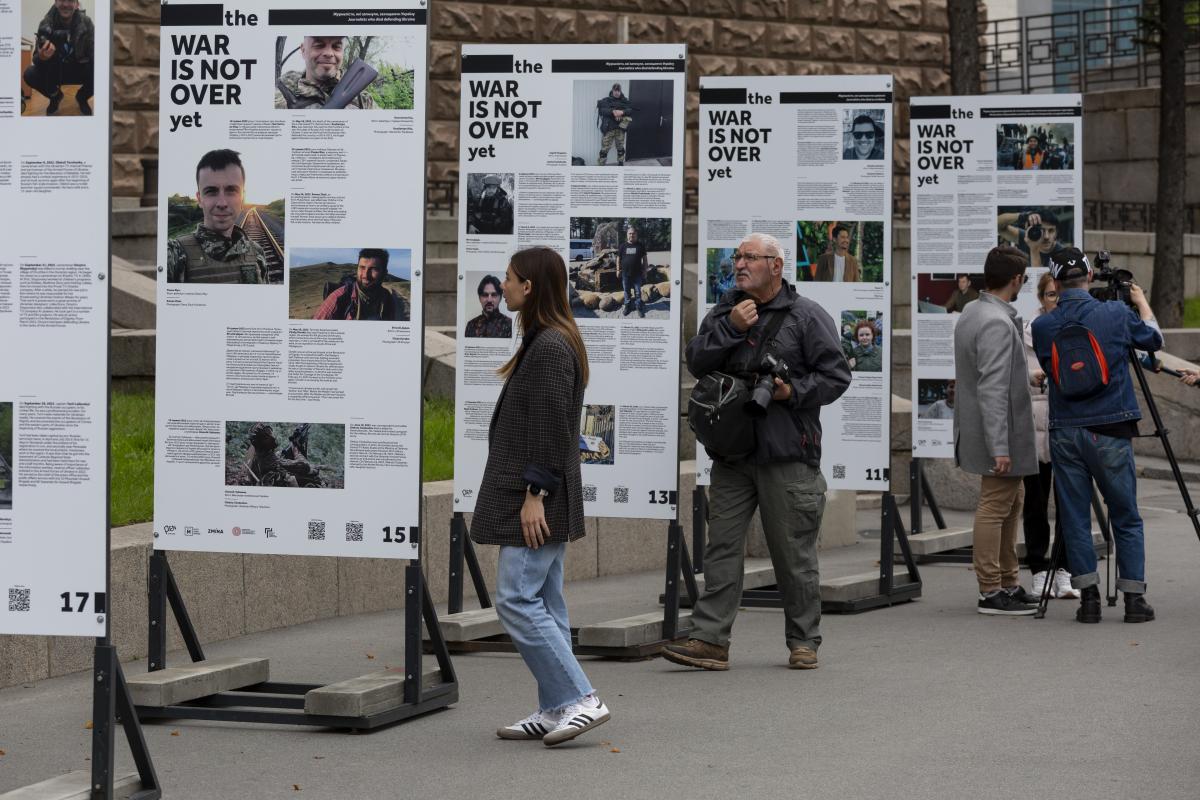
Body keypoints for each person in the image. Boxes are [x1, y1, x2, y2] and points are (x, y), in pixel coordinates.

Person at [663, 232, 850, 671]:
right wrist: (732, 328)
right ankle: (710, 640)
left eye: (751, 257)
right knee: (722, 548)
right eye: (738, 257)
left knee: (793, 553)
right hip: (732, 454)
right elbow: (696, 360)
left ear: (776, 266)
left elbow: (836, 376)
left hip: (787, 454)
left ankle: (804, 640)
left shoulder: (806, 317)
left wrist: (792, 392)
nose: (740, 264)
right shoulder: (726, 311)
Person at [471, 247, 610, 747]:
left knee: (515, 598)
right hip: (539, 490)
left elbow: (553, 430)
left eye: (508, 280)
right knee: (546, 602)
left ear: (528, 287)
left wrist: (534, 495)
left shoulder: (550, 345)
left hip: (536, 495)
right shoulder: (545, 339)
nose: (501, 286)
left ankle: (580, 698)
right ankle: (556, 707)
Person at [1032, 248, 1163, 624]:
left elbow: (1052, 370)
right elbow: (1153, 342)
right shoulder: (1117, 313)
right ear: (1089, 277)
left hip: (1066, 431)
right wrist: (1139, 302)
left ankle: (1088, 600)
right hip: (1111, 427)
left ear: (1055, 283)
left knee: (1073, 517)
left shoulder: (1043, 327)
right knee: (1125, 515)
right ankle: (1134, 601)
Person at [954, 245, 1040, 615]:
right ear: (1017, 279)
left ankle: (1008, 580)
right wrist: (1000, 446)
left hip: (991, 430)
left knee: (1011, 501)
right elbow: (990, 387)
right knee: (995, 506)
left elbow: (989, 376)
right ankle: (991, 589)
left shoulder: (976, 310)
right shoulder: (995, 321)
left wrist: (1027, 375)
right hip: (999, 435)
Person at [1021, 273, 1077, 599]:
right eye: (1049, 295)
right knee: (1036, 503)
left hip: (1067, 424)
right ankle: (1039, 569)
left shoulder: (1073, 331)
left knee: (1069, 502)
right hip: (1035, 425)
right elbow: (1015, 376)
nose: (1054, 300)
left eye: (1059, 294)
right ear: (1041, 297)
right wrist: (1033, 376)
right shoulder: (1028, 333)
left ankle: (1064, 569)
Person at [167, 149, 269, 284]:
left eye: (231, 190)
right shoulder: (173, 254)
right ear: (199, 199)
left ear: (242, 197)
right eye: (211, 191)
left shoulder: (257, 253)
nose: (222, 203)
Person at [23, 0, 94, 116]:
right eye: (61, 0)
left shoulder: (86, 23)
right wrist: (42, 57)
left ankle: (82, 97)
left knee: (103, 71)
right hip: (55, 72)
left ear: (76, 4)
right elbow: (35, 59)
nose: (65, 4)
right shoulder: (45, 23)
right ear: (55, 2)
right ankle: (55, 96)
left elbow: (95, 52)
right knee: (29, 74)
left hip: (79, 68)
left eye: (70, 0)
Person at [274, 36, 376, 109]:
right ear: (303, 50)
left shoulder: (362, 100)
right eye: (319, 45)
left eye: (336, 46)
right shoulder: (280, 95)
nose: (329, 53)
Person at [313, 249, 408, 321]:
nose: (365, 275)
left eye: (373, 269)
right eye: (362, 268)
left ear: (384, 273)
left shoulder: (387, 298)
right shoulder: (338, 298)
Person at [998, 208, 1066, 267]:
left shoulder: (1062, 255)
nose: (1046, 237)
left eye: (1051, 231)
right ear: (1033, 230)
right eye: (1042, 230)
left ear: (1056, 233)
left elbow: (1038, 278)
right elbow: (997, 226)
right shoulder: (1027, 237)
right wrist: (1024, 216)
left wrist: (1034, 249)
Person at [596, 83, 633, 166]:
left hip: (620, 129)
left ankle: (620, 164)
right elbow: (602, 111)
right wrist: (613, 112)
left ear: (620, 91)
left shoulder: (625, 101)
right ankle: (601, 165)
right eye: (615, 90)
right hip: (609, 129)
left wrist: (622, 112)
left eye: (618, 90)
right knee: (604, 150)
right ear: (612, 91)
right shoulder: (606, 100)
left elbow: (631, 110)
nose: (617, 92)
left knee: (620, 149)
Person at [617, 227, 648, 317]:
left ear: (636, 235)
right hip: (625, 274)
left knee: (638, 292)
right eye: (630, 233)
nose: (631, 235)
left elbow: (645, 259)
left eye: (633, 233)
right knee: (626, 291)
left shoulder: (640, 245)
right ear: (627, 235)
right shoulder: (622, 246)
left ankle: (638, 306)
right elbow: (618, 259)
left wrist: (645, 271)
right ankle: (628, 306)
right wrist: (618, 270)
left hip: (637, 274)